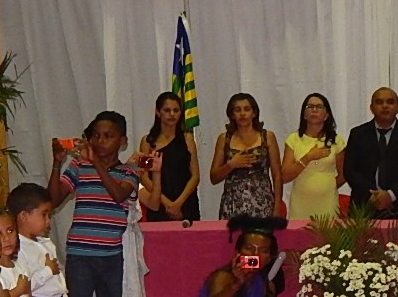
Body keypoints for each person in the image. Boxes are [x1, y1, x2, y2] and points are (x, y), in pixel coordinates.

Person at [48, 111, 146, 297]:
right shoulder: (78, 166)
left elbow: (118, 195)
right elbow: (52, 200)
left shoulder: (130, 172)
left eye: (109, 136)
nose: (101, 141)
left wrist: (97, 165)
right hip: (80, 257)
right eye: (96, 136)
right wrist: (57, 163)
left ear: (123, 140)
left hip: (110, 258)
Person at [121, 120, 162, 297]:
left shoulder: (134, 177)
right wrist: (128, 169)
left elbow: (154, 202)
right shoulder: (112, 172)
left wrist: (155, 173)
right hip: (108, 245)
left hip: (130, 245)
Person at [343, 87, 398, 219]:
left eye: (390, 102)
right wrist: (373, 196)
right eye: (379, 102)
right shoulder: (358, 134)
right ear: (371, 108)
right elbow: (350, 170)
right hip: (364, 206)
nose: (385, 106)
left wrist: (390, 195)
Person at [211, 92, 281, 220]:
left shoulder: (267, 137)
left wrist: (277, 208)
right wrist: (230, 165)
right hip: (232, 205)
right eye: (238, 110)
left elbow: (277, 176)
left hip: (263, 203)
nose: (243, 114)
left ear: (254, 113)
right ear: (232, 115)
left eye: (247, 109)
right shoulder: (224, 139)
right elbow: (214, 177)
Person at [281, 92, 345, 221]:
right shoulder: (294, 139)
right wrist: (308, 157)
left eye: (319, 107)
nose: (314, 110)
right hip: (300, 204)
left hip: (327, 202)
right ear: (304, 114)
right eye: (310, 107)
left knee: (329, 240)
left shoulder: (337, 141)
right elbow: (284, 176)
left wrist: (326, 186)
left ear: (327, 115)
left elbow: (344, 175)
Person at [139, 91, 201, 223]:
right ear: (157, 112)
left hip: (185, 203)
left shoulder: (187, 139)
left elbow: (195, 176)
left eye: (176, 110)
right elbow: (144, 177)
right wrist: (167, 203)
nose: (172, 114)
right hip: (158, 204)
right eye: (167, 110)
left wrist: (178, 203)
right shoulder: (147, 142)